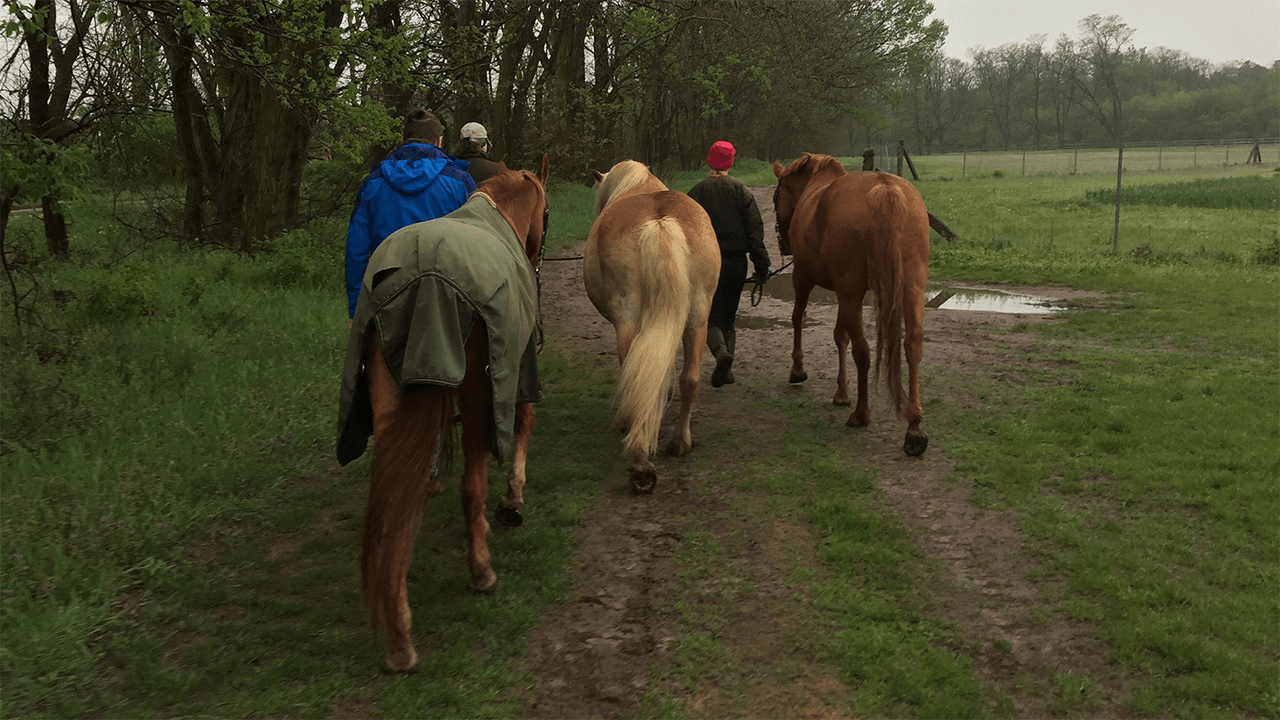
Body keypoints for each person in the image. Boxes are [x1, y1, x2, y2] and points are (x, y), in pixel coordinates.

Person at [345, 109, 477, 324]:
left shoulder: (372, 183)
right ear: (439, 141)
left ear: (403, 140)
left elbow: (357, 250)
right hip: (444, 293)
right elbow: (475, 247)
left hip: (385, 292)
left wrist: (355, 307)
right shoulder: (461, 183)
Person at [687, 140, 770, 388]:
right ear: (731, 162)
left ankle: (721, 353)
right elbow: (755, 233)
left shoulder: (696, 193)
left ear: (709, 161)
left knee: (708, 317)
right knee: (729, 317)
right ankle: (728, 368)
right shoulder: (742, 191)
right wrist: (762, 266)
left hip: (706, 265)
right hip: (736, 264)